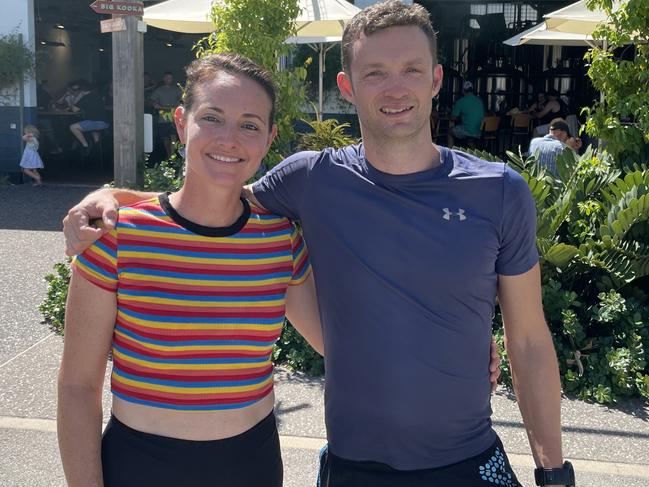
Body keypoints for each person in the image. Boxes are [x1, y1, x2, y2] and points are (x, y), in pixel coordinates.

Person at [63, 2, 569, 486]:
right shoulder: (312, 180)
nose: (395, 88)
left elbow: (527, 341)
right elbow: (212, 197)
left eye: (412, 69)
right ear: (347, 86)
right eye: (374, 72)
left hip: (463, 460)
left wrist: (552, 471)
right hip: (352, 466)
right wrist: (111, 197)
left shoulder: (499, 190)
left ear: (436, 78)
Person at [57, 53, 325, 487]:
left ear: (270, 136)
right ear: (182, 122)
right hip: (142, 466)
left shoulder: (279, 240)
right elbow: (77, 387)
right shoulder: (114, 237)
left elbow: (336, 343)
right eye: (213, 118)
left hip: (252, 463)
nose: (230, 139)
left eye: (250, 124)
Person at [69, 81, 110, 156]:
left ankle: (85, 146)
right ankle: (97, 150)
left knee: (72, 127)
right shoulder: (97, 95)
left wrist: (72, 100)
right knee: (93, 131)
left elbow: (74, 109)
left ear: (82, 91)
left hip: (96, 123)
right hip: (105, 123)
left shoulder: (85, 97)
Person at [150, 71, 183, 158]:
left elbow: (183, 99)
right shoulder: (159, 90)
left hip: (173, 117)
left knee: (173, 136)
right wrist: (155, 104)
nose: (169, 80)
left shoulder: (176, 89)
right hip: (163, 117)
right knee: (165, 138)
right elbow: (151, 100)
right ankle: (169, 155)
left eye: (170, 78)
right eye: (167, 78)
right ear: (164, 79)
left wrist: (180, 104)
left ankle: (172, 155)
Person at [448, 80, 485, 147]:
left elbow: (453, 117)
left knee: (450, 132)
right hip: (479, 132)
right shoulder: (479, 101)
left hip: (468, 131)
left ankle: (449, 152)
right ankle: (471, 148)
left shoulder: (460, 101)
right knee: (469, 136)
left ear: (463, 90)